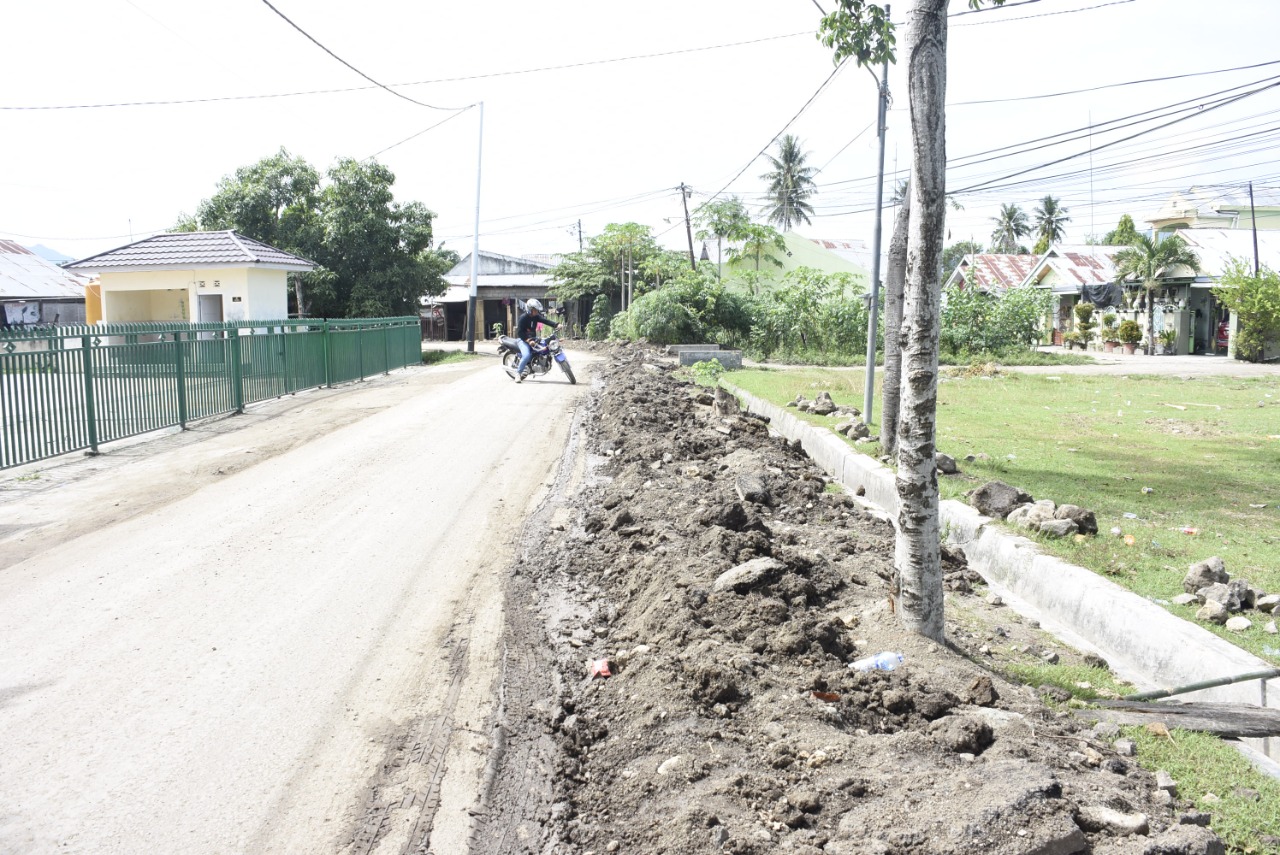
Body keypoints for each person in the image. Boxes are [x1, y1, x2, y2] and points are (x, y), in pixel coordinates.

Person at [513, 298, 558, 382]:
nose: (537, 312)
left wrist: (556, 324)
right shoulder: (523, 318)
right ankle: (518, 373)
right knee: (526, 355)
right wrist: (528, 341)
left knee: (544, 348)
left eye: (537, 310)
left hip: (534, 339)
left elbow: (545, 321)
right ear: (530, 310)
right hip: (523, 340)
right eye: (535, 310)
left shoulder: (535, 316)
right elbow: (519, 333)